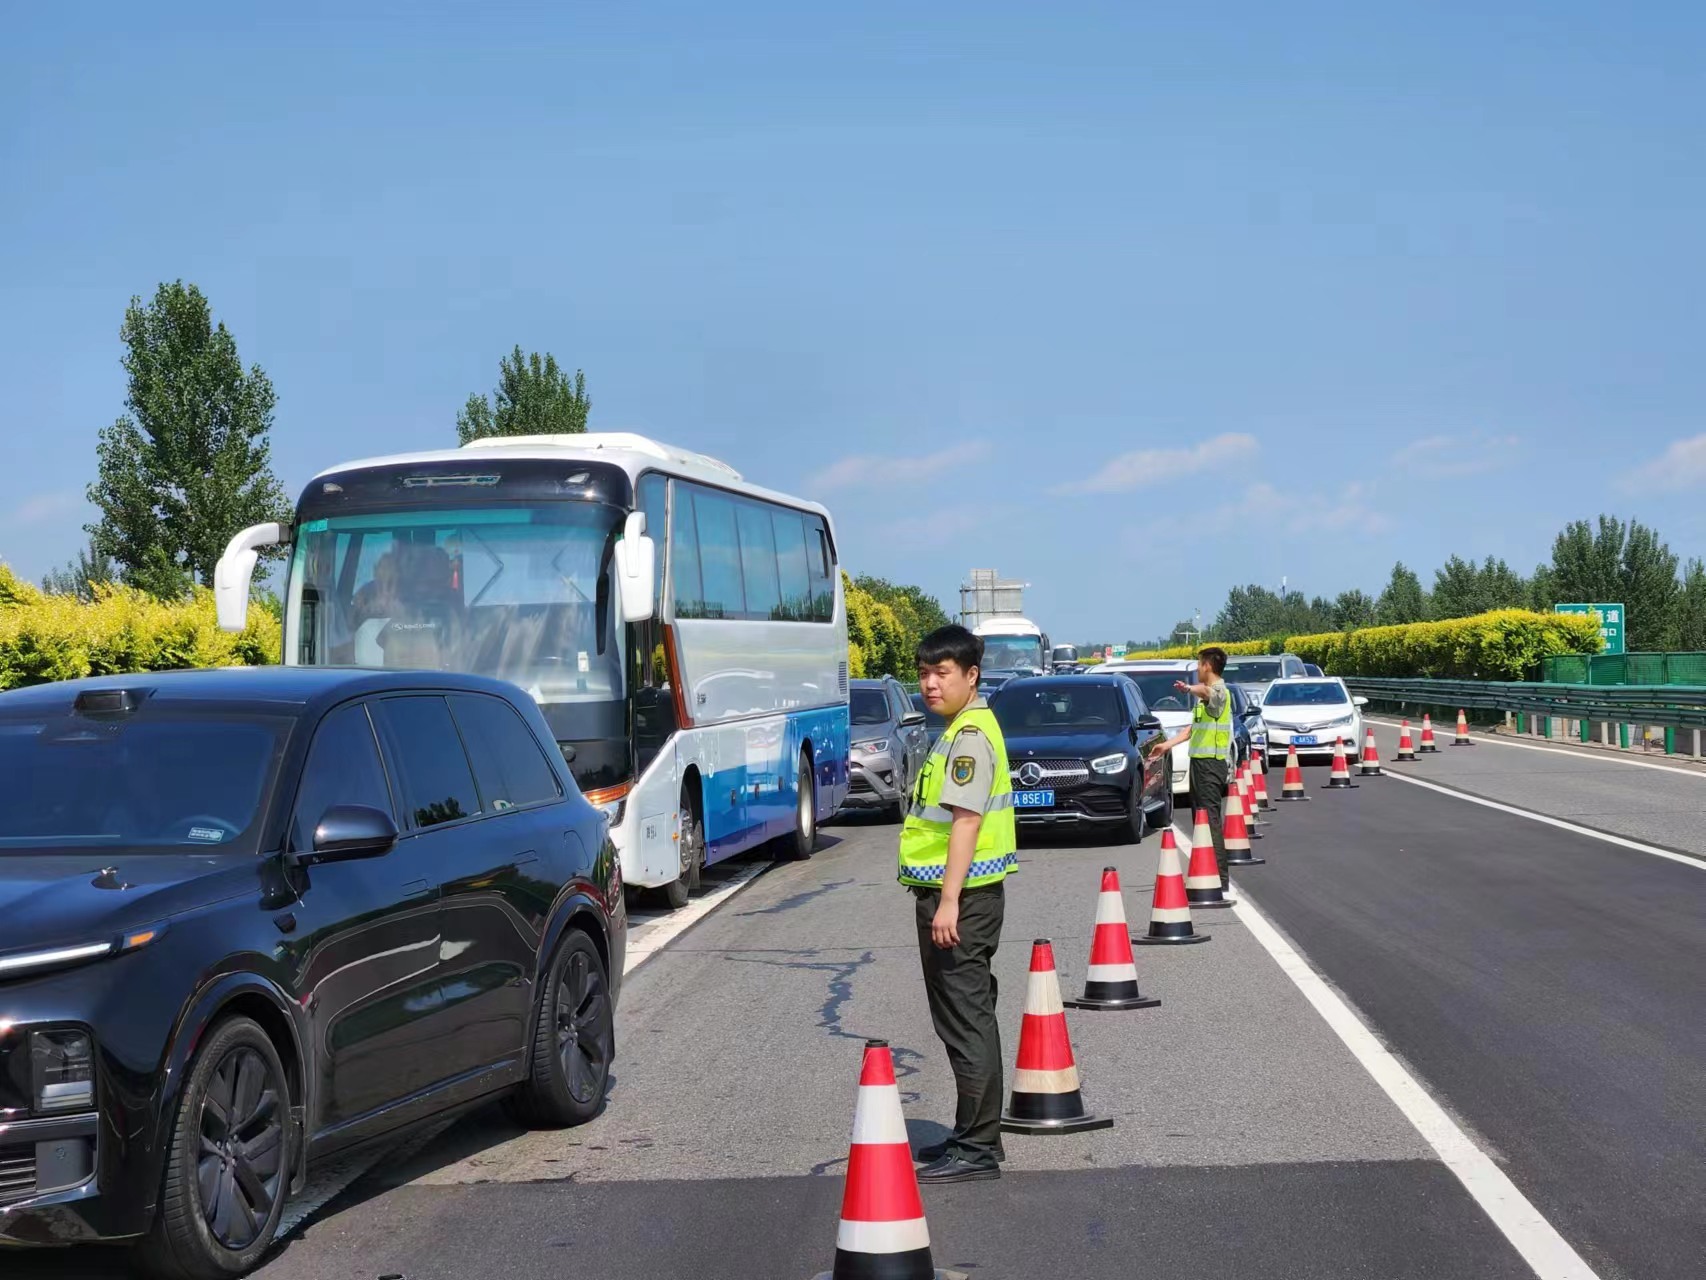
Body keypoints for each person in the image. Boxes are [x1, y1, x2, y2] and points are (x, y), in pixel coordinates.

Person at [901, 625, 1017, 1185]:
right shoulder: (963, 728)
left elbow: (966, 823)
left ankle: (976, 1149)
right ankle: (974, 1134)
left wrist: (947, 901)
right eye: (924, 672)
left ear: (971, 676)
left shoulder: (968, 735)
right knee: (968, 1018)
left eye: (942, 672)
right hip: (968, 897)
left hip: (961, 902)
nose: (930, 683)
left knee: (966, 1022)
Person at [1151, 647, 1235, 895]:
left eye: (1199, 665)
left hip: (1211, 765)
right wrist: (1166, 746)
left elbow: (1207, 691)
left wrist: (1188, 689)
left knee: (1210, 821)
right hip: (1200, 763)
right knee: (1201, 821)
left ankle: (1219, 879)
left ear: (1208, 666)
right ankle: (1206, 873)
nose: (1198, 669)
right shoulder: (1204, 699)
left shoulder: (1219, 691)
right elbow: (1192, 730)